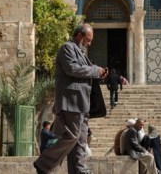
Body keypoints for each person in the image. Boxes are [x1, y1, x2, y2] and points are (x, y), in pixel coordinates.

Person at [34, 23, 108, 174]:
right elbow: (72, 69)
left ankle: (79, 169)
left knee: (81, 140)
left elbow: (85, 74)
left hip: (82, 103)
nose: (90, 43)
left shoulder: (80, 52)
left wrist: (99, 74)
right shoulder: (67, 48)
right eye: (88, 39)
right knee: (72, 136)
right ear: (79, 35)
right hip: (71, 102)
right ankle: (43, 163)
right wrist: (95, 70)